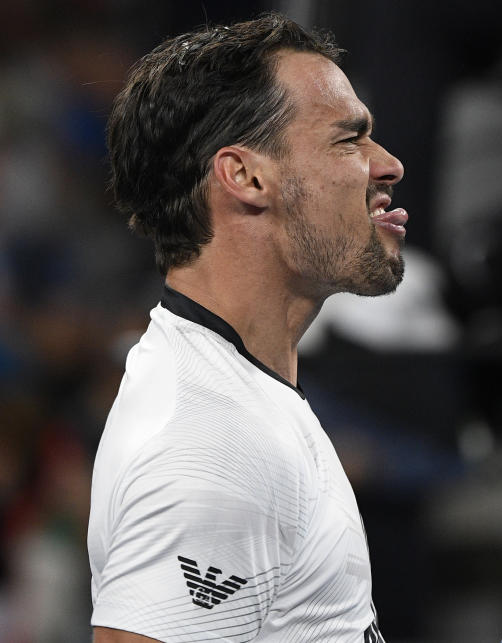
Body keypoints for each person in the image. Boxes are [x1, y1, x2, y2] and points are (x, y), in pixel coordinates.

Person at [87, 12, 406, 642]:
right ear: (247, 177)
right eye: (349, 140)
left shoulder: (236, 395)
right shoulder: (211, 449)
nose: (389, 165)